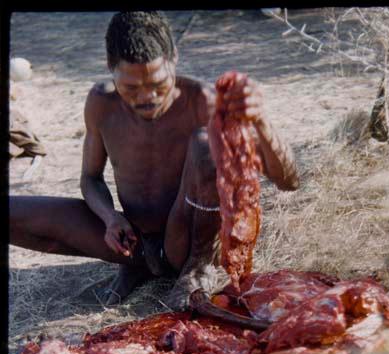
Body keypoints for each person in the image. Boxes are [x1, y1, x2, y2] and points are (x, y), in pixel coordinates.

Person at [10, 11, 300, 309]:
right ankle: (139, 266)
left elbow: (289, 180)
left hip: (187, 239)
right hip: (133, 241)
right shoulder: (100, 103)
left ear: (173, 58)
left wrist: (260, 120)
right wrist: (111, 218)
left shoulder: (204, 101)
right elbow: (91, 178)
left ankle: (198, 270)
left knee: (206, 144)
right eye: (131, 88)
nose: (147, 97)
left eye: (158, 84)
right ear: (111, 68)